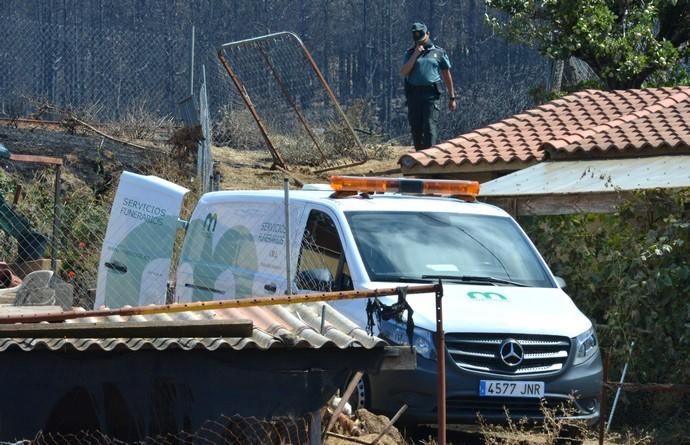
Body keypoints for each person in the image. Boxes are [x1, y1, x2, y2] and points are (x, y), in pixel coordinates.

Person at [400, 22, 456, 151]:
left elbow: (447, 75)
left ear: (428, 34)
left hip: (431, 95)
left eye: (422, 36)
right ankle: (419, 157)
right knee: (416, 127)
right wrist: (415, 55)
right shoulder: (409, 53)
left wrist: (452, 97)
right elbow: (404, 72)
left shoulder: (438, 52)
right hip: (414, 95)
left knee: (429, 127)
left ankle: (429, 158)